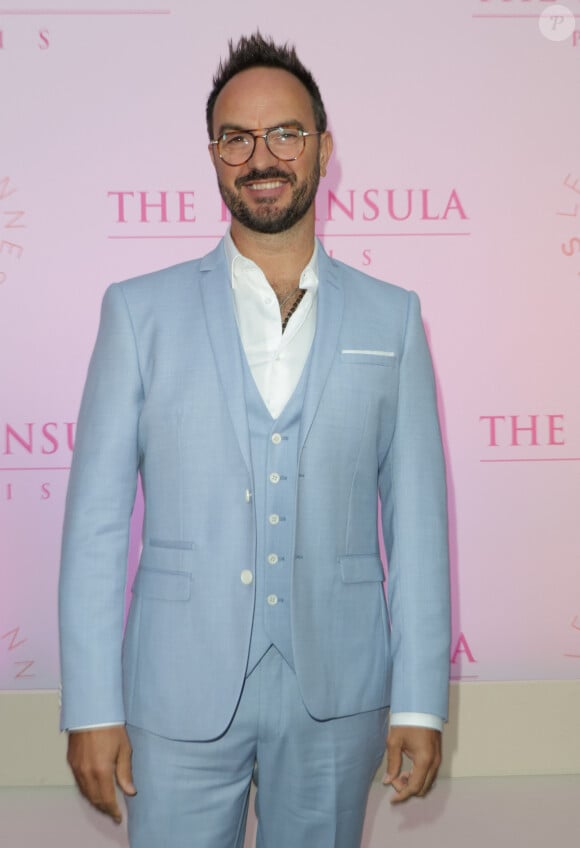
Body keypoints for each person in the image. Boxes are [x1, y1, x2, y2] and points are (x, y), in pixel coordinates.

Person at [59, 32, 450, 848]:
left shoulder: (394, 318)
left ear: (323, 149)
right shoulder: (138, 313)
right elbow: (94, 528)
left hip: (338, 693)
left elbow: (417, 525)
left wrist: (418, 699)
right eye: (236, 137)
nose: (260, 156)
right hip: (174, 692)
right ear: (213, 155)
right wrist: (92, 704)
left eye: (285, 134)